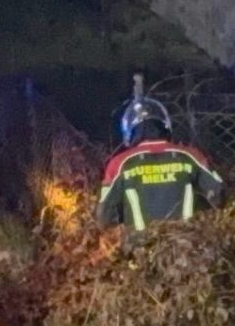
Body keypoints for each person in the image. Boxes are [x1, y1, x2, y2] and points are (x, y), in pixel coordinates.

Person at [96, 93, 225, 238]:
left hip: (139, 249)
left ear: (130, 131)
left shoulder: (119, 164)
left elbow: (104, 216)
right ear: (165, 125)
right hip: (187, 247)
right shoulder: (191, 156)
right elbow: (218, 195)